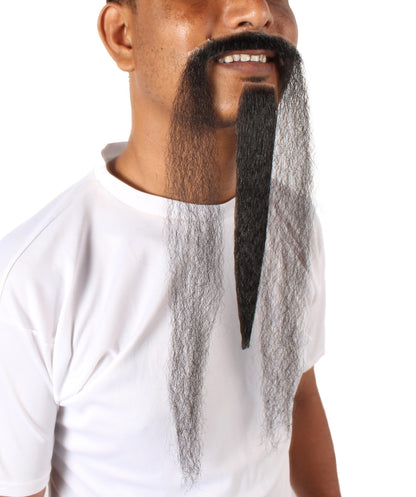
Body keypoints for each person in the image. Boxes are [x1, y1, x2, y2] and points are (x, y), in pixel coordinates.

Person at [0, 1, 342, 496]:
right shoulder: (33, 279)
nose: (256, 11)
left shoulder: (292, 223)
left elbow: (299, 399)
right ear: (123, 35)